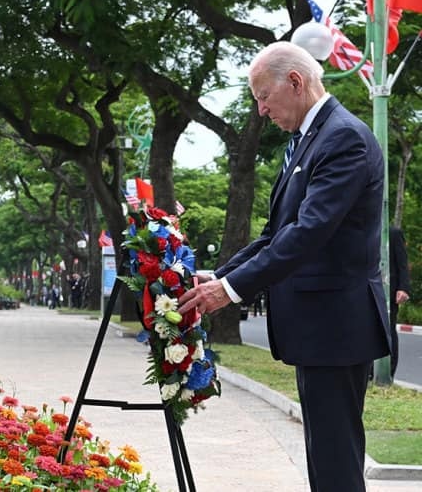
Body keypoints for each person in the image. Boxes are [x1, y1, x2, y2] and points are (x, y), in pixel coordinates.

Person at [177, 41, 390, 492]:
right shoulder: (309, 140)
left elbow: (308, 234)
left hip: (336, 328)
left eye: (263, 96)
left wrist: (231, 291)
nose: (260, 110)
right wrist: (220, 275)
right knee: (325, 455)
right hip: (320, 329)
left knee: (335, 460)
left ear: (295, 82)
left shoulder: (343, 138)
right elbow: (276, 234)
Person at [389, 224, 412, 377]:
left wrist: (403, 288)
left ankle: (389, 372)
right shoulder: (364, 230)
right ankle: (369, 371)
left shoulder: (394, 233)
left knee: (389, 329)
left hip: (389, 291)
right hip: (364, 290)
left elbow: (402, 264)